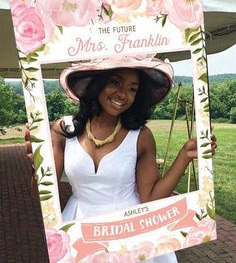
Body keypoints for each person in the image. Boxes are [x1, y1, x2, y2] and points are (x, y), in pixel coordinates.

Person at [26, 57, 217, 263]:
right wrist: (37, 163)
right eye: (115, 82)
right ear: (98, 83)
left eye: (132, 89)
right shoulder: (63, 129)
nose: (123, 94)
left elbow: (151, 199)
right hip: (80, 227)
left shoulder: (141, 136)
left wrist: (184, 156)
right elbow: (44, 193)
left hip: (130, 229)